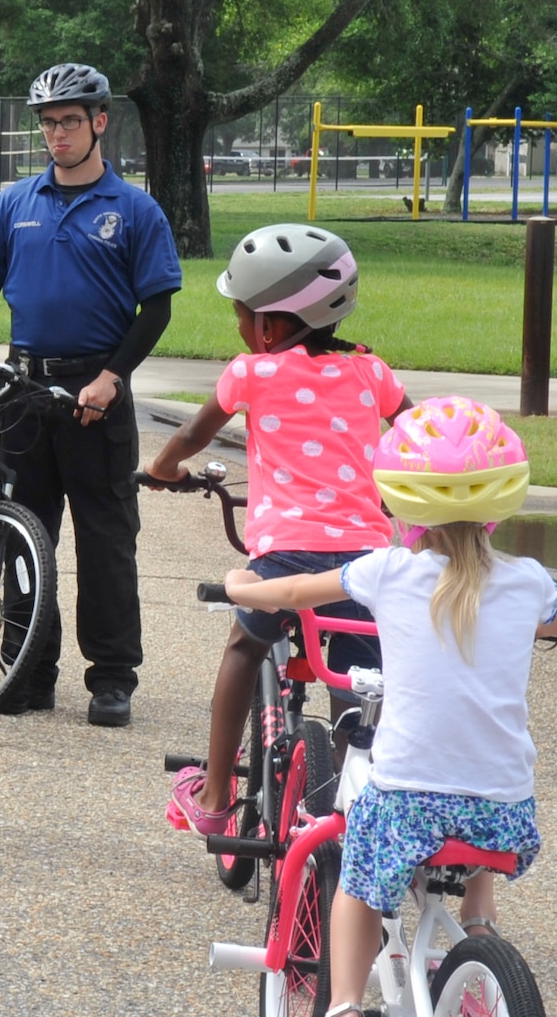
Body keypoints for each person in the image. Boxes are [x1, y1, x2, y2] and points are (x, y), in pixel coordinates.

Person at [222, 399, 557, 1017]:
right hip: (508, 817)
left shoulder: (388, 571)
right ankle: (478, 913)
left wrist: (241, 587)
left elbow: (295, 595)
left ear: (403, 503)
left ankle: (344, 1013)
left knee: (359, 881)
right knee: (483, 767)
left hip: (409, 806)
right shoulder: (529, 582)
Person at [145, 224, 412, 835]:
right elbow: (414, 430)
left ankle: (213, 799)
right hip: (363, 562)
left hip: (285, 557)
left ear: (269, 324)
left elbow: (191, 437)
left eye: (241, 315)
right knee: (356, 680)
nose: (240, 328)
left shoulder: (252, 372)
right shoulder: (371, 372)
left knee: (244, 647)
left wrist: (163, 470)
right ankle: (349, 808)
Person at [0, 63, 183, 727]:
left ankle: (111, 675)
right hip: (24, 388)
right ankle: (27, 670)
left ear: (100, 122)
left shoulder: (133, 209)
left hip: (96, 389)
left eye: (70, 122)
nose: (58, 134)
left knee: (106, 538)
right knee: (24, 535)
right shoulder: (13, 203)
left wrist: (112, 378)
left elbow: (157, 307)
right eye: (48, 123)